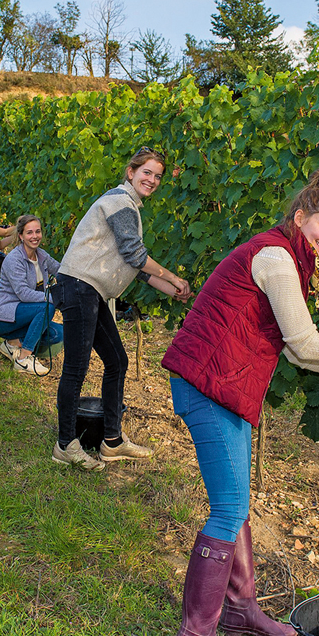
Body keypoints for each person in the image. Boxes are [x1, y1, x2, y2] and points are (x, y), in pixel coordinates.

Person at [161, 168, 319, 636]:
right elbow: (307, 344)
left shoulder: (285, 256)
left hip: (226, 384)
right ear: (300, 217)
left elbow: (297, 356)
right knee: (227, 510)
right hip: (209, 382)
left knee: (236, 502)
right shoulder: (276, 258)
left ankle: (241, 612)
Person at [52, 146, 192, 472]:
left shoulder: (128, 207)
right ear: (131, 172)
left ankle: (112, 441)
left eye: (157, 176)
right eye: (147, 172)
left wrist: (173, 290)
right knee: (76, 368)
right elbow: (135, 254)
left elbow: (138, 269)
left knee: (117, 360)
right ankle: (65, 444)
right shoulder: (119, 201)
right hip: (79, 286)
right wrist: (172, 276)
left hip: (91, 290)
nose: (153, 179)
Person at [0, 215, 63, 375]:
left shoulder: (42, 256)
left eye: (38, 231)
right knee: (47, 307)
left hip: (21, 314)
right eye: (29, 233)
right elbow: (24, 294)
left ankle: (12, 344)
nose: (34, 236)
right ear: (21, 235)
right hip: (1, 316)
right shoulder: (15, 259)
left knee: (58, 334)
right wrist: (56, 299)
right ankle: (23, 358)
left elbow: (61, 271)